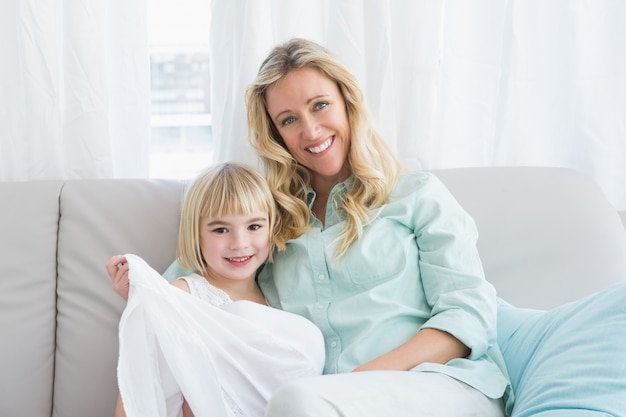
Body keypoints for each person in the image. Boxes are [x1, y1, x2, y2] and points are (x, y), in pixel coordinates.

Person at [242, 38, 513, 416]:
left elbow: (467, 316)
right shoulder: (265, 223)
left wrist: (358, 380)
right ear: (276, 135)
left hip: (440, 386)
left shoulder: (417, 196)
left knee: (295, 400)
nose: (311, 130)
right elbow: (196, 289)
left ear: (348, 102)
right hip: (327, 403)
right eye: (289, 120)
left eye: (320, 105)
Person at [106, 162, 325, 417]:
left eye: (254, 226)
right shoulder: (181, 296)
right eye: (221, 230)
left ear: (271, 228)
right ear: (196, 234)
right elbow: (137, 395)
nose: (239, 243)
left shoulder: (279, 297)